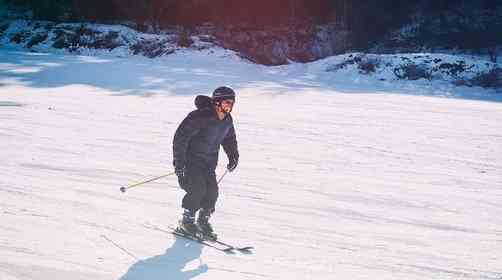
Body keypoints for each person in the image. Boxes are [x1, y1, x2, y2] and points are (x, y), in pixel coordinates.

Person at [172, 86, 239, 240]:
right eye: (227, 102)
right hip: (190, 162)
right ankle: (186, 221)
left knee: (212, 192)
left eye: (232, 103)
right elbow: (180, 138)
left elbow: (229, 139)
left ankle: (202, 221)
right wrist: (179, 163)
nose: (230, 106)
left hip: (208, 163)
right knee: (198, 189)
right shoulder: (199, 117)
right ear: (217, 102)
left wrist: (233, 156)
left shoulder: (227, 120)